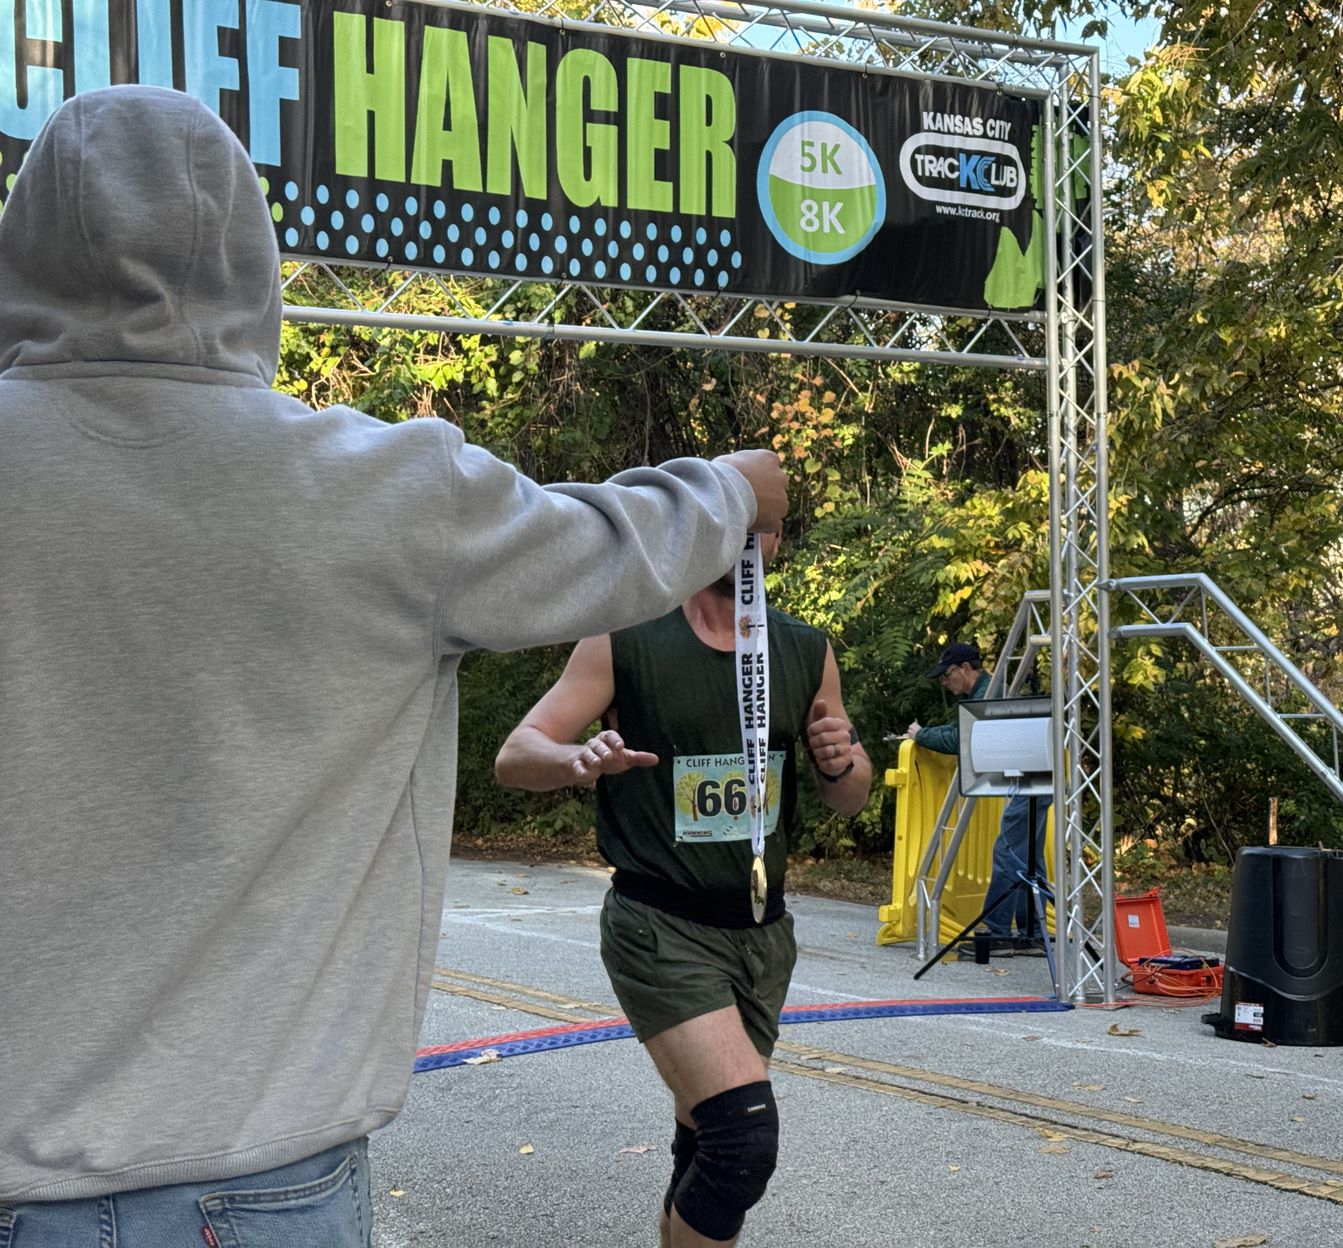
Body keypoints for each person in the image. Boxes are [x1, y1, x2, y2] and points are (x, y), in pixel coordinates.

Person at [0, 86, 788, 1244]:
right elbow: (613, 548)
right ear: (248, 260)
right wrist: (733, 487)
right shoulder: (379, 492)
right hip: (257, 1181)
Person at [496, 526, 872, 1247]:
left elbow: (849, 795)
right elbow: (518, 755)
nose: (750, 539)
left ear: (779, 538)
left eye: (764, 523)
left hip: (763, 934)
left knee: (704, 1143)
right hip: (660, 924)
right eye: (734, 519)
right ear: (702, 523)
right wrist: (580, 756)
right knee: (742, 1146)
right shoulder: (626, 637)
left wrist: (838, 762)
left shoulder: (804, 648)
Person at [907, 641, 1052, 942]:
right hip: (1034, 777)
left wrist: (921, 735)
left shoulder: (989, 693)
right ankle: (1033, 930)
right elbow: (962, 729)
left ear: (966, 668)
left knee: (1007, 852)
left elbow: (961, 739)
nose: (944, 683)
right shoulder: (986, 691)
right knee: (1028, 856)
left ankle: (998, 932)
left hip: (1026, 780)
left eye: (947, 675)